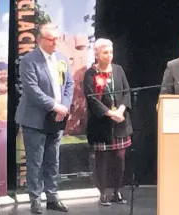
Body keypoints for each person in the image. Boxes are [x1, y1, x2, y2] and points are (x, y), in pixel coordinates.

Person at [15, 23, 74, 214]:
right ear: (40, 40)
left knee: (52, 160)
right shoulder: (28, 60)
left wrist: (63, 106)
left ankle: (52, 197)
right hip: (35, 119)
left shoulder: (62, 58)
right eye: (51, 39)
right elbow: (32, 90)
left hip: (57, 118)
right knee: (35, 161)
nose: (55, 42)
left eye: (57, 38)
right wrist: (54, 105)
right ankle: (35, 200)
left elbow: (69, 84)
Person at [83, 38, 133, 206]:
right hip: (101, 125)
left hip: (120, 123)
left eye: (111, 52)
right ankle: (103, 193)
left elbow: (127, 92)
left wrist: (121, 110)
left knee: (120, 159)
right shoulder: (91, 73)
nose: (109, 55)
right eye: (105, 52)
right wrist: (110, 113)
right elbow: (91, 99)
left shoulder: (118, 70)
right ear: (96, 54)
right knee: (102, 160)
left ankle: (117, 192)